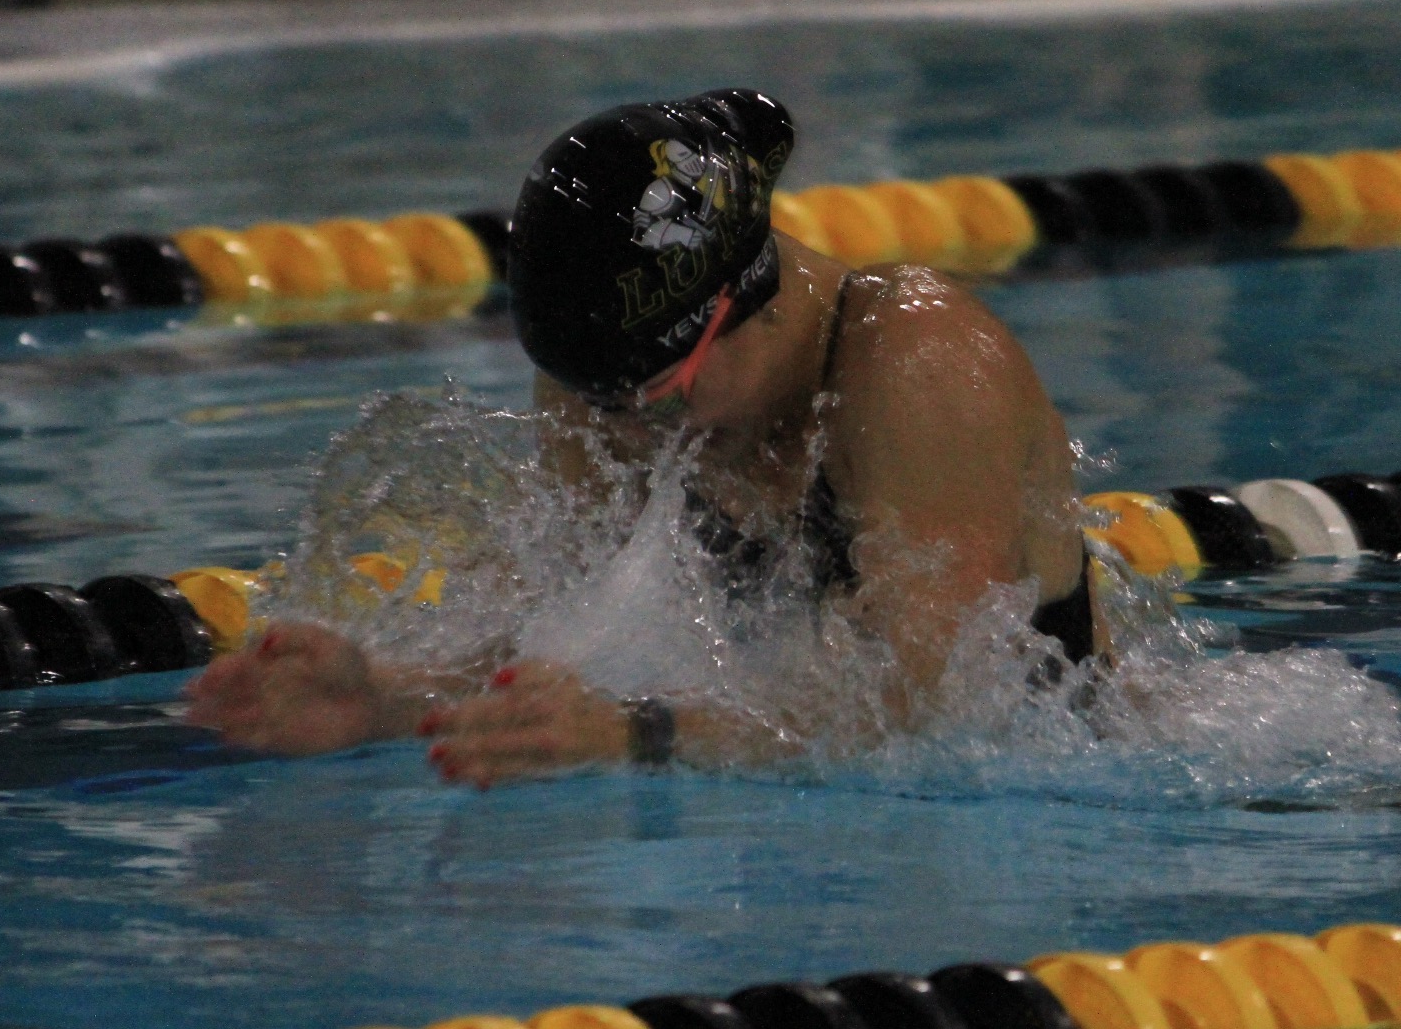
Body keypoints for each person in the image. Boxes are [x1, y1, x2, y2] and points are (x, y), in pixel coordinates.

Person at [186, 88, 1097, 785]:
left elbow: (932, 708)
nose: (617, 425)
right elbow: (564, 632)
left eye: (649, 394)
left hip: (1058, 795)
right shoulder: (613, 388)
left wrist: (641, 733)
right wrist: (384, 696)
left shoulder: (917, 364)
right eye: (597, 395)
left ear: (738, 301)